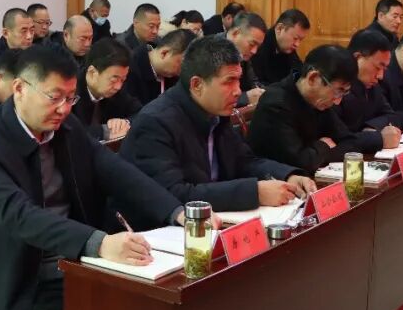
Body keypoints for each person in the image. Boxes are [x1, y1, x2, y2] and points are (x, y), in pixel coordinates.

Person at [0, 44, 186, 310]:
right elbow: (18, 215)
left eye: (70, 98)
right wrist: (99, 243)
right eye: (54, 97)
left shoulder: (66, 127)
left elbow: (114, 170)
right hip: (16, 282)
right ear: (19, 88)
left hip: (75, 264)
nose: (63, 109)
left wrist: (176, 211)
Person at [122, 35, 315, 211]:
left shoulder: (216, 112)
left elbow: (244, 162)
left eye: (238, 80)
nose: (238, 91)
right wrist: (254, 193)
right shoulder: (155, 122)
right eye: (229, 81)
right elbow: (174, 194)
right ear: (197, 85)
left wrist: (288, 176)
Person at [247, 45, 376, 173]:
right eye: (338, 91)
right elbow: (301, 162)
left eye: (345, 92)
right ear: (313, 78)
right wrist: (324, 145)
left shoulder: (319, 102)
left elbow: (351, 144)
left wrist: (316, 153)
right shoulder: (276, 104)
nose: (338, 101)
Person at [336, 29, 403, 151]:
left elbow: (391, 116)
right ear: (357, 57)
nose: (380, 76)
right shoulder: (335, 88)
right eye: (377, 67)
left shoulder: (371, 85)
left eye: (384, 69)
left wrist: (372, 127)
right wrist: (377, 139)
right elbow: (338, 140)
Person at [74, 39, 141, 141]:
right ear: (92, 73)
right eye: (114, 80)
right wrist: (104, 131)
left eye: (123, 80)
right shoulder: (70, 91)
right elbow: (69, 132)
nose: (118, 86)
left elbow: (141, 112)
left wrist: (124, 123)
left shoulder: (116, 92)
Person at [124, 29, 196, 106]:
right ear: (164, 53)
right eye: (182, 65)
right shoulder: (129, 69)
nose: (182, 71)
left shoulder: (173, 76)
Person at [251, 9, 310, 86]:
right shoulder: (259, 46)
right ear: (279, 28)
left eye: (300, 40)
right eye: (295, 38)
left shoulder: (287, 47)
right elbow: (258, 84)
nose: (297, 44)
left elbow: (298, 70)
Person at [223, 12, 267, 108]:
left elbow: (253, 82)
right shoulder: (210, 51)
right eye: (252, 44)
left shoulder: (242, 53)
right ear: (235, 33)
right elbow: (213, 99)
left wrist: (262, 92)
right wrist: (245, 97)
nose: (254, 51)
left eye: (258, 46)